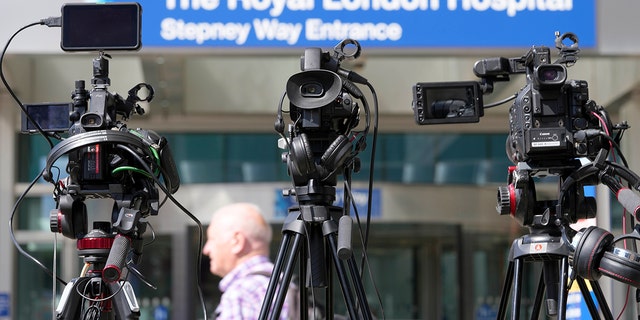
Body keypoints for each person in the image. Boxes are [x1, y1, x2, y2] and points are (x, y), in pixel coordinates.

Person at [203, 202, 298, 319]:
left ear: (237, 241)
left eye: (212, 239)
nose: (206, 250)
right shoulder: (287, 285)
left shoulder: (241, 294)